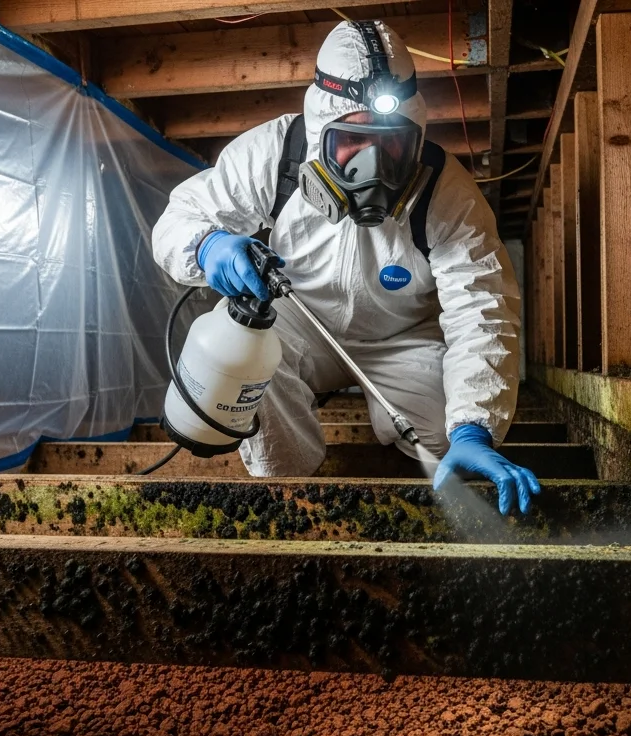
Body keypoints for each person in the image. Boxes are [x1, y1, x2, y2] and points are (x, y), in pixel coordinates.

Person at [149, 19, 540, 514]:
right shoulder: (275, 154)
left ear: (414, 136)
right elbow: (179, 218)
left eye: (392, 144)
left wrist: (474, 427)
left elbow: (481, 307)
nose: (372, 167)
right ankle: (290, 496)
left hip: (399, 340)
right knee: (244, 362)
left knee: (446, 441)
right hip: (297, 324)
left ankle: (432, 439)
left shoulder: (446, 194)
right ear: (320, 134)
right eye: (352, 142)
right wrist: (208, 246)